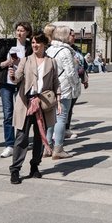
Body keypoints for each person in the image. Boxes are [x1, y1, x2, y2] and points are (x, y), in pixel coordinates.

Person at [9, 33, 59, 184]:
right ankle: (15, 169)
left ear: (44, 44)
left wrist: (59, 101)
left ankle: (35, 166)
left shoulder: (52, 62)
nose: (34, 45)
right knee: (21, 137)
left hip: (43, 104)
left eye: (37, 42)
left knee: (40, 137)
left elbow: (56, 82)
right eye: (33, 43)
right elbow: (17, 78)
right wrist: (12, 75)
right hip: (26, 103)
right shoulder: (26, 60)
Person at [44, 25, 81, 159]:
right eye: (70, 34)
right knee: (61, 118)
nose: (73, 36)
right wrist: (76, 85)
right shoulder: (65, 51)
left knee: (50, 118)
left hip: (51, 87)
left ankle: (47, 146)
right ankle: (58, 148)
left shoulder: (49, 49)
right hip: (64, 88)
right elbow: (71, 73)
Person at [0, 21, 31, 159]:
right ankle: (9, 144)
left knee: (22, 113)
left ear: (27, 32)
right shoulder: (8, 45)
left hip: (22, 83)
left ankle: (20, 141)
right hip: (7, 83)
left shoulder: (30, 47)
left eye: (22, 30)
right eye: (18, 30)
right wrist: (8, 63)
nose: (19, 33)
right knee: (8, 114)